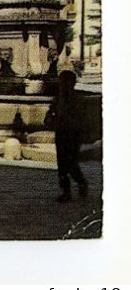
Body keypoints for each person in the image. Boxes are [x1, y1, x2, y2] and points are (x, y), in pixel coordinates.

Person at [45, 68, 88, 202]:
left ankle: (81, 182)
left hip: (73, 133)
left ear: (72, 83)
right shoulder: (58, 99)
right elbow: (51, 112)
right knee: (62, 164)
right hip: (62, 132)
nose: (63, 84)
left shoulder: (77, 99)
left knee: (70, 162)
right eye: (62, 81)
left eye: (65, 82)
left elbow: (82, 118)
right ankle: (66, 191)